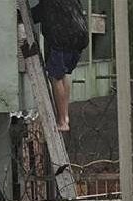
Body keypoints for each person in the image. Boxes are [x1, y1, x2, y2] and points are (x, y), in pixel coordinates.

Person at [30, 0, 89, 132]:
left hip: (62, 37)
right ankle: (65, 115)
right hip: (80, 36)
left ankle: (62, 121)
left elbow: (37, 14)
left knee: (55, 78)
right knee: (64, 75)